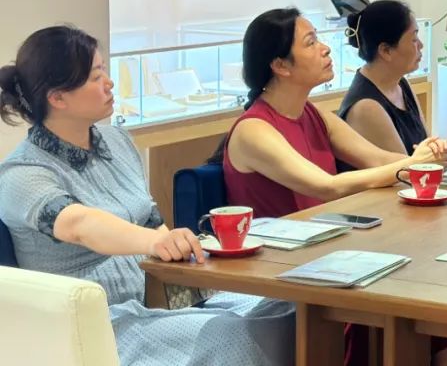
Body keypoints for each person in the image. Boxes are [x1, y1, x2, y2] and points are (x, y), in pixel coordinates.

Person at [0, 26, 295, 366]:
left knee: (291, 306)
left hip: (161, 301)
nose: (109, 83)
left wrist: (181, 253)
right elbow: (78, 224)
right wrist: (155, 242)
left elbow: (154, 224)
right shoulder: (21, 173)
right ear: (58, 98)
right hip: (102, 325)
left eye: (104, 70)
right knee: (234, 336)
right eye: (96, 77)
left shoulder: (117, 142)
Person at [218, 8, 447, 218]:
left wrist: (429, 159)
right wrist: (413, 164)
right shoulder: (253, 130)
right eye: (311, 43)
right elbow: (328, 187)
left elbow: (378, 159)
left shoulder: (315, 114)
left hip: (323, 237)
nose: (325, 48)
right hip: (276, 250)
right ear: (281, 65)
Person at [337, 0, 427, 156]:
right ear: (386, 51)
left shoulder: (401, 84)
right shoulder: (366, 107)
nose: (420, 45)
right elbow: (404, 167)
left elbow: (427, 146)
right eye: (413, 39)